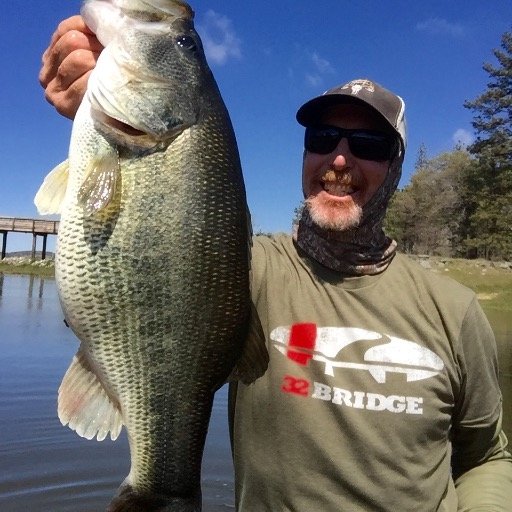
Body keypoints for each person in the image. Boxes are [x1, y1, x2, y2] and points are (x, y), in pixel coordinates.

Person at [40, 16, 512, 512]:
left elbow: (488, 456)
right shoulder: (245, 274)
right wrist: (100, 108)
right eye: (323, 139)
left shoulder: (454, 312)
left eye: (368, 146)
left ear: (395, 165)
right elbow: (156, 248)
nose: (339, 160)